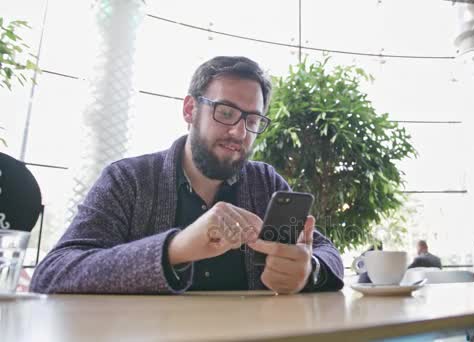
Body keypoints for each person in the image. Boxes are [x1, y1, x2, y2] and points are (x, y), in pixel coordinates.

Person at [30, 56, 344, 294]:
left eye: (252, 119)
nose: (238, 131)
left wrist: (308, 270)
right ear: (190, 110)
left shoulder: (266, 184)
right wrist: (175, 249)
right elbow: (53, 273)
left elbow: (326, 252)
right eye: (225, 112)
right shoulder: (128, 180)